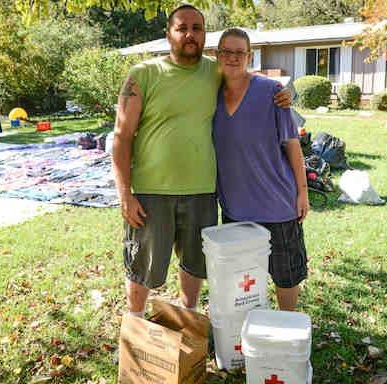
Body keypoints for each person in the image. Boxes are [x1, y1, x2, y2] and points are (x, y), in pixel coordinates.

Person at [112, 5, 291, 317]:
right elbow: (122, 136)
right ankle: (135, 327)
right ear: (168, 33)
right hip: (152, 192)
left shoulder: (215, 71)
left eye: (197, 28)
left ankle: (188, 318)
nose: (190, 34)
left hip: (202, 191)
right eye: (182, 28)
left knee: (195, 263)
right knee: (143, 266)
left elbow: (249, 80)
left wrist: (287, 93)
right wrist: (124, 193)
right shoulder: (143, 75)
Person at [212, 28, 309, 311]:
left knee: (285, 276)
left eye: (239, 52)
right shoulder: (210, 95)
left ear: (249, 56)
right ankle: (244, 337)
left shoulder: (272, 92)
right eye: (226, 52)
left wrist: (302, 193)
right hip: (235, 210)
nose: (232, 58)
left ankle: (287, 330)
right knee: (243, 281)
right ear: (217, 55)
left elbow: (293, 146)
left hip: (277, 206)